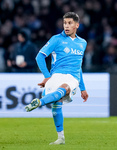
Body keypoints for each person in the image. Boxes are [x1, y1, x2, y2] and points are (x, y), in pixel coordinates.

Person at [25, 12, 89, 145]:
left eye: (70, 23)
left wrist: (82, 88)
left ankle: (40, 102)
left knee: (65, 88)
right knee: (57, 104)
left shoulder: (82, 43)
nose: (66, 26)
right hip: (56, 75)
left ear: (77, 25)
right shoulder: (56, 39)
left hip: (72, 77)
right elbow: (39, 57)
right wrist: (47, 76)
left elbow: (79, 67)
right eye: (65, 23)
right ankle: (61, 138)